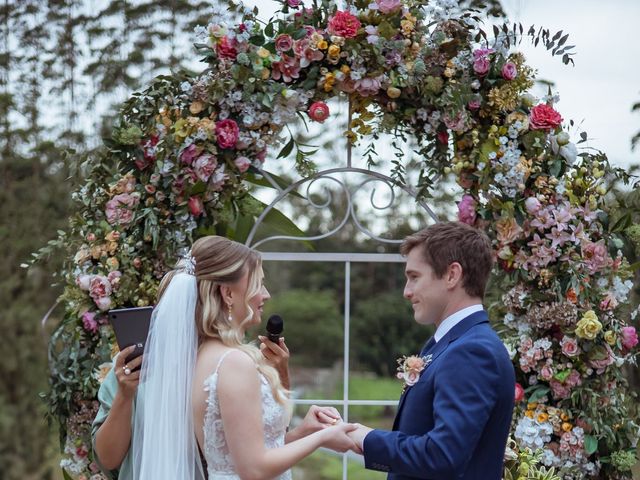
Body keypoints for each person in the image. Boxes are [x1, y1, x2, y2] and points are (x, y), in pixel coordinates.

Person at [93, 235, 357, 479]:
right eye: (258, 283)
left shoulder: (208, 358)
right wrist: (324, 437)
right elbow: (249, 465)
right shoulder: (226, 363)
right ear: (228, 293)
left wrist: (300, 429)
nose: (266, 294)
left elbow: (236, 451)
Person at [348, 222, 515, 480]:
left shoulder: (471, 351)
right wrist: (357, 436)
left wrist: (368, 439)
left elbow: (443, 456)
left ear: (451, 275)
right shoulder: (448, 344)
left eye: (414, 277)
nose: (407, 291)